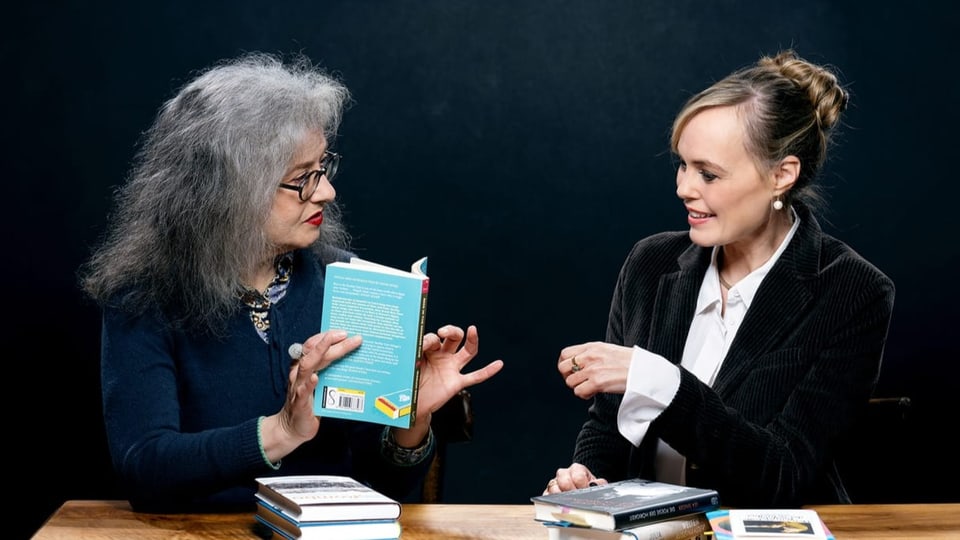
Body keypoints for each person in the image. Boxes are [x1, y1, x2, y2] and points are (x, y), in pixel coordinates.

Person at [79, 52, 503, 512]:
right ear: (229, 191)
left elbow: (381, 487)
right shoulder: (144, 297)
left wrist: (410, 420)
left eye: (323, 168)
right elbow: (145, 467)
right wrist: (280, 431)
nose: (326, 191)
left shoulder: (348, 285)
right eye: (302, 178)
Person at [543, 50, 894, 507]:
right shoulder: (650, 263)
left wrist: (664, 383)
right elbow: (610, 424)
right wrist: (589, 480)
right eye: (683, 164)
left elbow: (784, 474)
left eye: (708, 173)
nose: (684, 187)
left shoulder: (853, 292)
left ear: (781, 176)